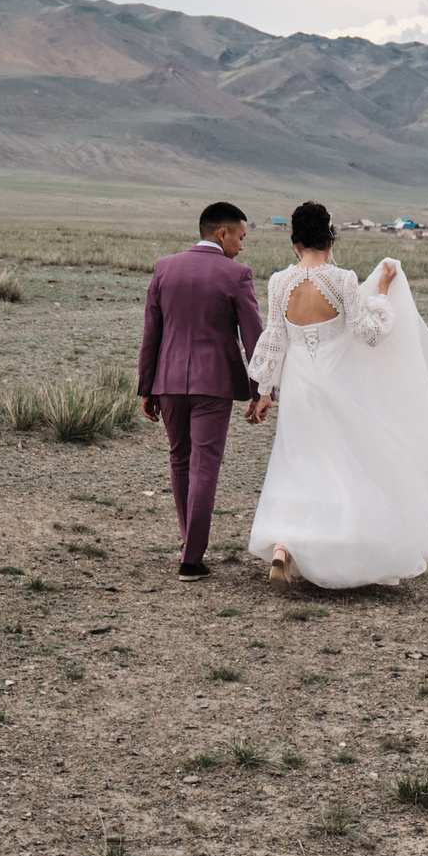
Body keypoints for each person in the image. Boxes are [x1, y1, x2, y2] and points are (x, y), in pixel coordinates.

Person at [244, 202, 428, 589]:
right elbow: (370, 334)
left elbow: (275, 336)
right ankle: (338, 544)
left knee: (295, 460)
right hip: (335, 380)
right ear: (330, 239)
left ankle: (282, 546)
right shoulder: (342, 279)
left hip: (298, 383)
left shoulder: (278, 281)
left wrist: (264, 391)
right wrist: (380, 291)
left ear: (295, 243)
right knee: (340, 462)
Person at [136, 201, 267, 579]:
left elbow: (152, 334)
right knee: (204, 465)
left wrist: (147, 386)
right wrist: (261, 389)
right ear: (222, 233)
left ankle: (187, 543)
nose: (242, 246)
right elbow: (253, 337)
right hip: (214, 385)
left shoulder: (164, 267)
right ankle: (192, 557)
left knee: (180, 459)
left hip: (169, 382)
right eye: (241, 237)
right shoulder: (237, 274)